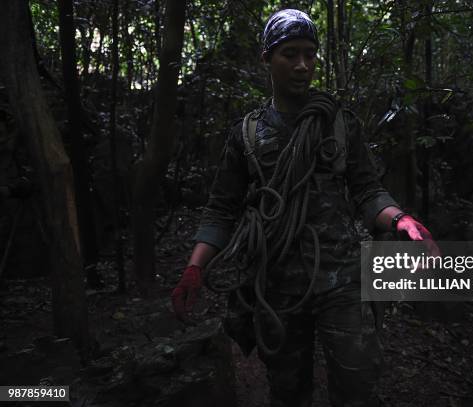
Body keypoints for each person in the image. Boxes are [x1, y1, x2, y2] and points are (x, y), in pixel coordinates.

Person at [172, 9, 437, 407]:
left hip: (343, 279)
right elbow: (221, 211)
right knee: (288, 392)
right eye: (290, 54)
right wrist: (196, 267)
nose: (302, 65)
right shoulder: (247, 134)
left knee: (357, 387)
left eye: (310, 54)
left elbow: (367, 192)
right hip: (275, 285)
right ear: (267, 58)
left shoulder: (340, 124)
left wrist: (402, 220)